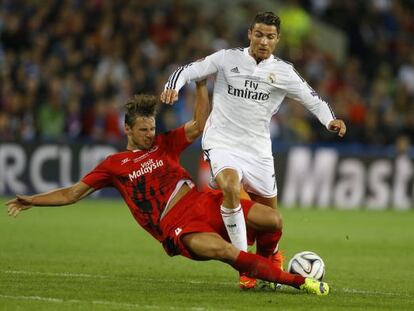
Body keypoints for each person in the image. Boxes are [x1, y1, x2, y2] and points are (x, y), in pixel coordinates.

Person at [6, 81, 329, 295]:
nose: (150, 134)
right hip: (177, 226)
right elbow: (72, 193)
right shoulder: (114, 164)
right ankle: (298, 283)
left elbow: (200, 125)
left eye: (152, 128)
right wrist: (33, 200)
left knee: (274, 221)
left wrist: (201, 83)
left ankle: (268, 263)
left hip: (206, 202)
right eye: (144, 129)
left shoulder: (164, 144)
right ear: (128, 129)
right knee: (226, 252)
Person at [161, 11, 346, 288]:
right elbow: (189, 70)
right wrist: (172, 86)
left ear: (277, 39)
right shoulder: (227, 58)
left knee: (271, 220)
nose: (263, 41)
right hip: (222, 142)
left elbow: (313, 99)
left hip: (257, 150)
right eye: (259, 34)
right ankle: (244, 265)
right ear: (250, 33)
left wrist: (330, 119)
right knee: (230, 187)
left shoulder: (283, 71)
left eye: (270, 37)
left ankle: (269, 258)